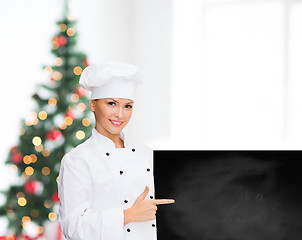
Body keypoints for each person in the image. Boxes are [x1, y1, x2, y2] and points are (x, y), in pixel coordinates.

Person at [57, 61, 175, 240]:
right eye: (111, 103)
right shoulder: (77, 160)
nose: (120, 114)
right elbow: (73, 227)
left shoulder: (147, 154)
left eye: (127, 106)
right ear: (93, 105)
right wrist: (128, 215)